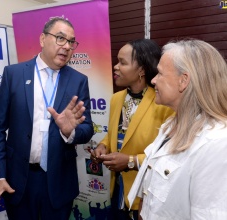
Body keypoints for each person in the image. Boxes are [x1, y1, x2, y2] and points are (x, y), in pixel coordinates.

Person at [0, 17, 94, 220]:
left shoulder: (79, 80)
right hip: (18, 180)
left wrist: (69, 131)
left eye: (71, 42)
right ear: (43, 39)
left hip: (59, 181)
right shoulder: (14, 74)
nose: (67, 46)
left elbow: (87, 129)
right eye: (61, 38)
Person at [128, 39, 227, 219]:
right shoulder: (171, 125)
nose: (153, 80)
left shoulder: (216, 144)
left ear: (183, 81)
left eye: (160, 74)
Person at [90, 39, 174, 219]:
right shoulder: (116, 99)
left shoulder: (164, 104)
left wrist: (130, 161)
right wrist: (103, 145)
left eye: (122, 62)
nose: (115, 67)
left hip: (145, 194)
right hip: (117, 190)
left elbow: (170, 155)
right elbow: (116, 134)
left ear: (141, 70)